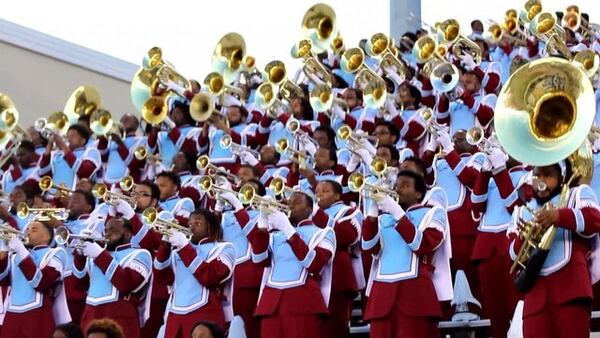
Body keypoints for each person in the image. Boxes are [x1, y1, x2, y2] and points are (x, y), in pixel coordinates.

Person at [508, 163, 600, 338]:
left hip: (571, 291)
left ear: (560, 178)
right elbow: (512, 257)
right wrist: (524, 237)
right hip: (535, 300)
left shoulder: (577, 193)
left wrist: (560, 216)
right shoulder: (520, 212)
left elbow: (595, 220)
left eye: (548, 175)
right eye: (537, 176)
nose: (541, 182)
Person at [361, 170, 451, 338]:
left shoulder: (434, 213)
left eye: (405, 185)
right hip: (381, 297)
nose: (398, 189)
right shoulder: (383, 219)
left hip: (415, 296)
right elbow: (368, 248)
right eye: (396, 186)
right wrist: (372, 212)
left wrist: (397, 213)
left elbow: (423, 246)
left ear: (418, 193)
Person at [251, 191, 336, 338]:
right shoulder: (275, 235)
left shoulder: (324, 233)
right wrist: (263, 225)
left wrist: (288, 230)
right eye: (289, 202)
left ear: (310, 209)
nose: (290, 205)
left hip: (303, 303)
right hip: (271, 304)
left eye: (296, 202)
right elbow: (258, 260)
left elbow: (314, 264)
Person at [154, 209, 236, 336]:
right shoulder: (178, 250)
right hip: (175, 315)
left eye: (197, 223)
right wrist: (165, 244)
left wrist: (184, 247)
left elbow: (210, 276)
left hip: (205, 313)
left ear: (211, 228)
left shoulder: (224, 248)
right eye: (189, 224)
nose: (191, 227)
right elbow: (162, 277)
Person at [73, 217, 153, 338]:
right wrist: (80, 255)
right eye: (105, 230)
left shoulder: (140, 254)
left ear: (127, 234)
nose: (107, 233)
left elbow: (126, 283)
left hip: (119, 317)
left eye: (113, 230)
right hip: (90, 316)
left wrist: (100, 255)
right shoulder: (96, 254)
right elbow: (79, 285)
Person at [0, 221, 70, 338]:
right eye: (27, 229)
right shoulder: (15, 256)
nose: (27, 232)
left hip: (38, 316)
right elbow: (2, 279)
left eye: (34, 229)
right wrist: (5, 249)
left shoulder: (56, 253)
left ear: (48, 236)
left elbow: (40, 283)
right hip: (12, 317)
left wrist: (21, 250)